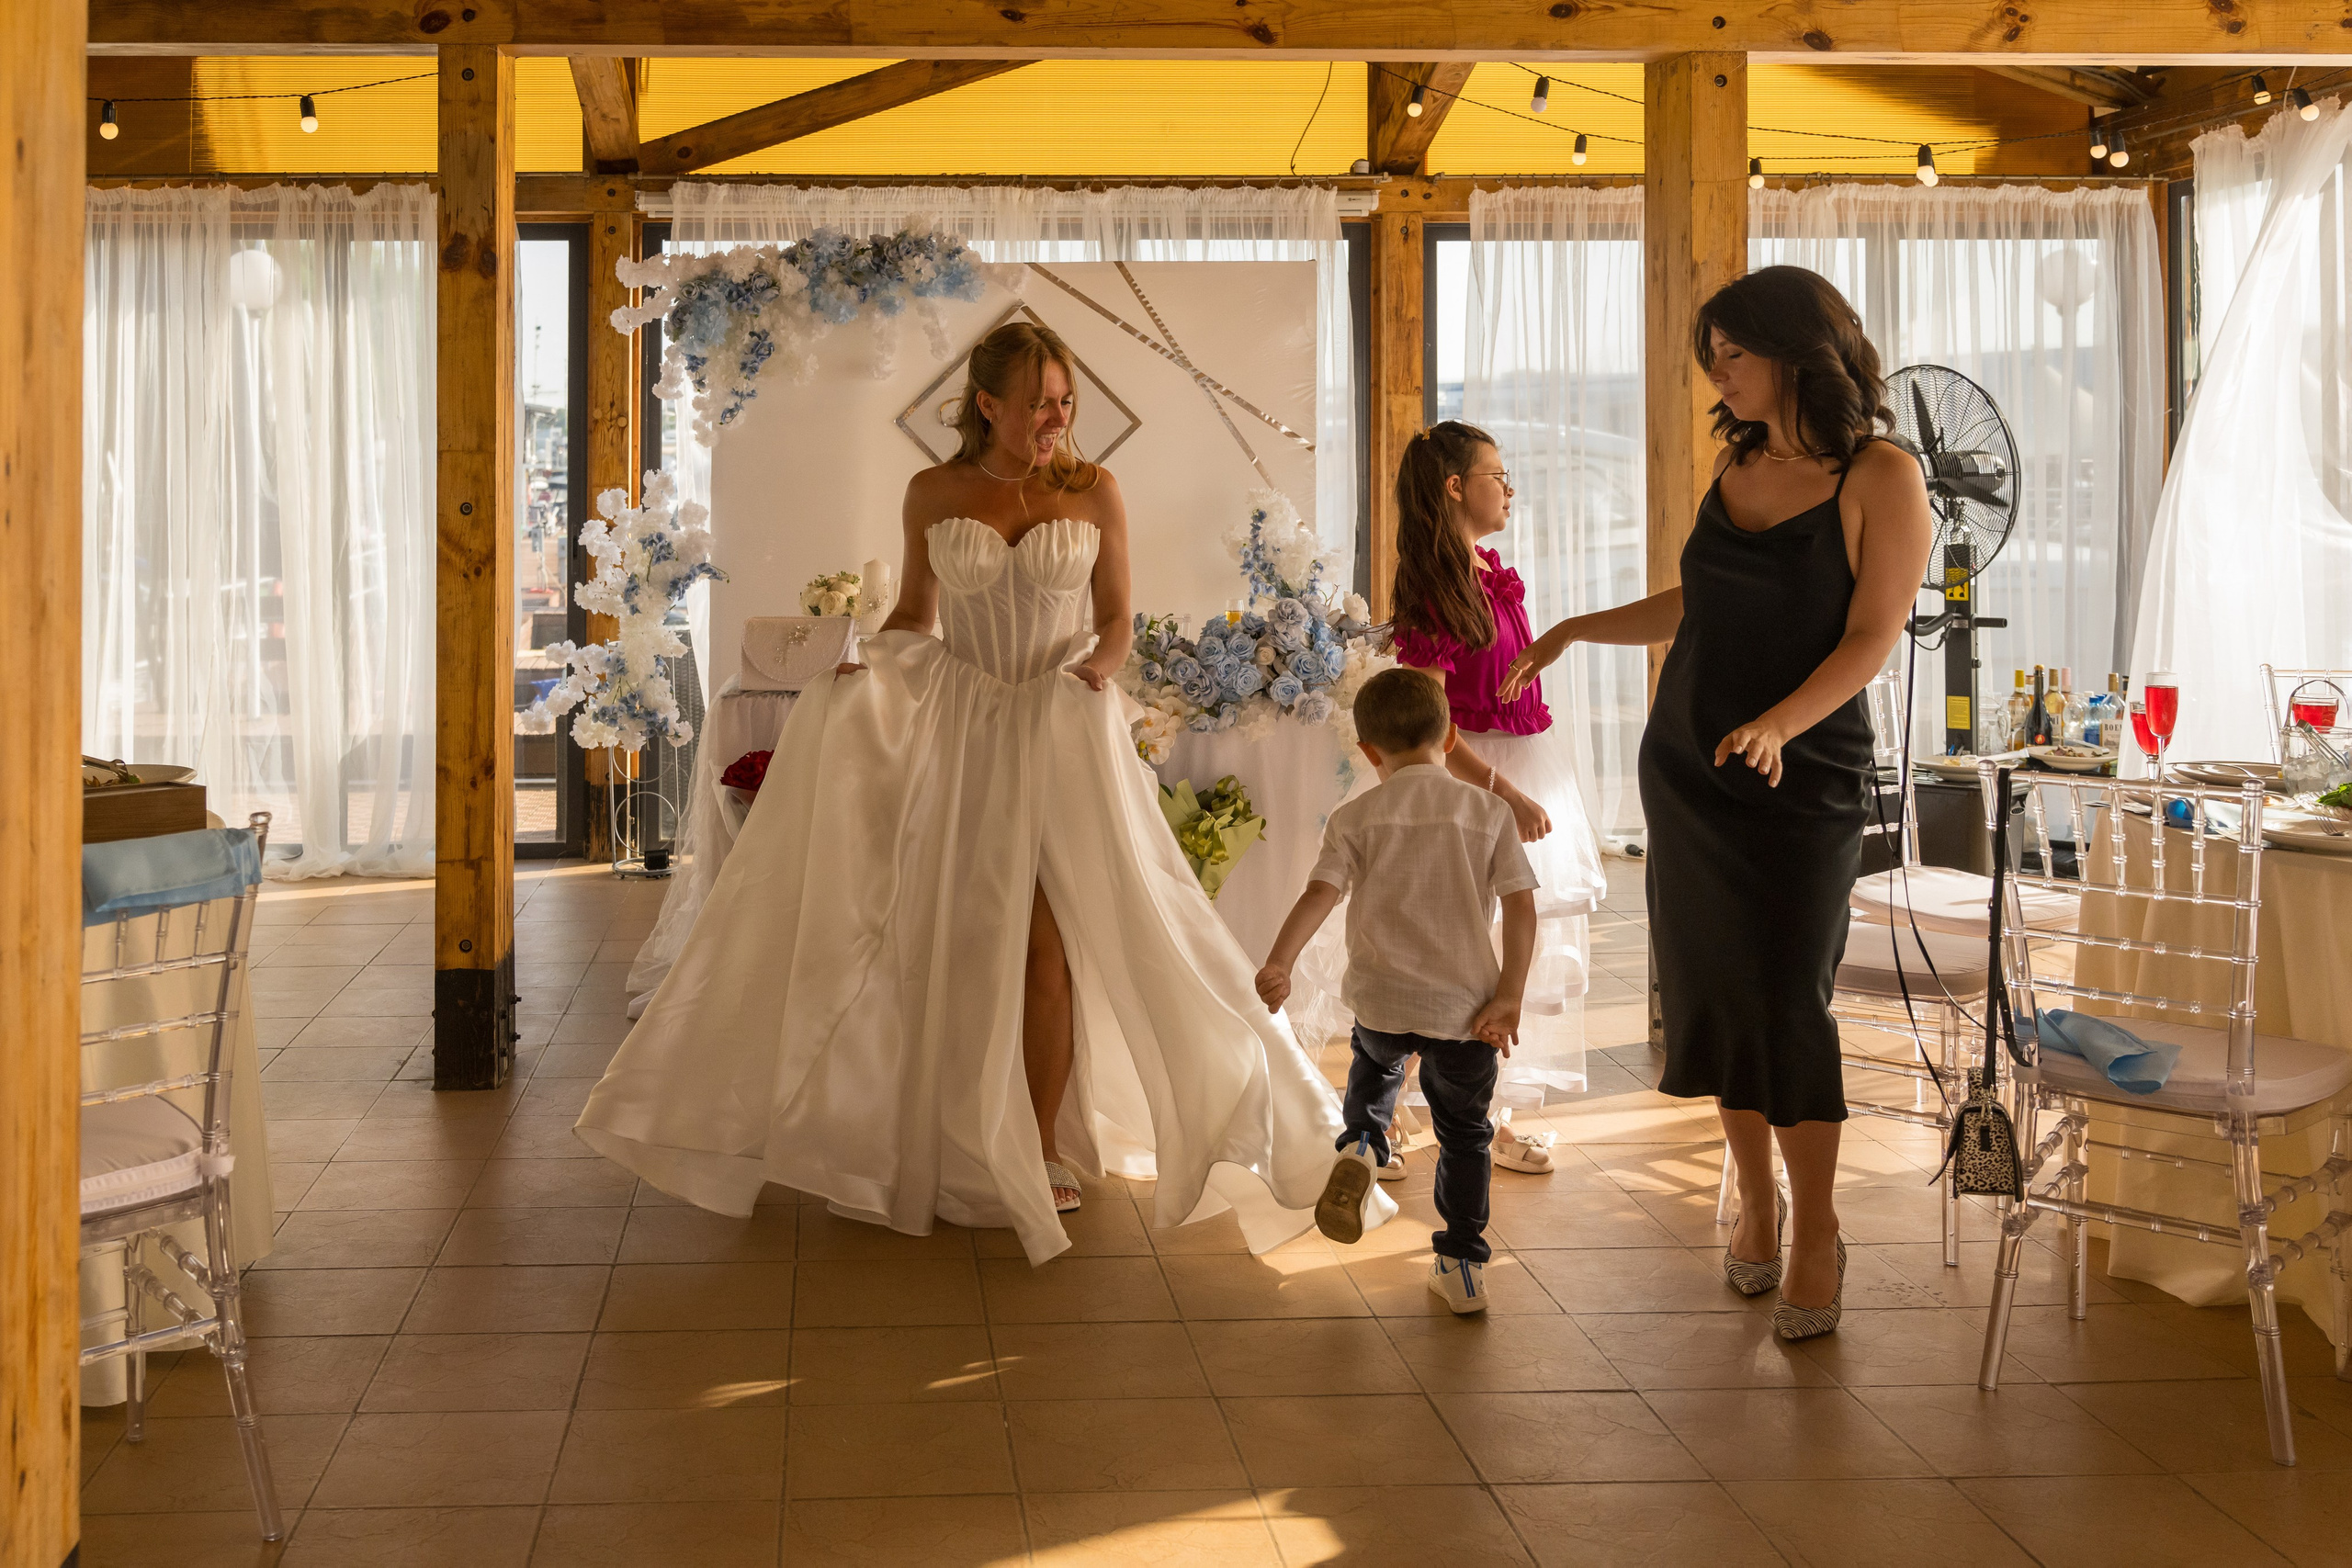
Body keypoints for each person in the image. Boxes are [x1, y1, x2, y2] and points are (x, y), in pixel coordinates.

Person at [575, 320, 1390, 1266]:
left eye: (1065, 399)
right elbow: (916, 615)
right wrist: (865, 671)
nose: (1056, 416)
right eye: (1039, 400)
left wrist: (1101, 670)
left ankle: (1046, 1146)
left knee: (1059, 941)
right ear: (987, 405)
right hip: (962, 730)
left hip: (1061, 720)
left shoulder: (1095, 491)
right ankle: (948, 1130)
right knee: (960, 935)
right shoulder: (934, 491)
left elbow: (1116, 616)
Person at [1500, 266, 1932, 1339]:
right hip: (1690, 769)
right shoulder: (1738, 461)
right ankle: (1754, 1200)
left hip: (1804, 777)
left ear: (1795, 348)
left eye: (1730, 352)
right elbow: (1704, 595)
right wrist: (1570, 631)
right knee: (1713, 997)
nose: (1717, 374)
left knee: (1787, 999)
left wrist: (1782, 723)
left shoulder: (1881, 473)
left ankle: (1819, 1228)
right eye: (1712, 357)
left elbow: (1872, 634)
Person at [1295, 422, 1607, 1171]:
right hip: (1472, 783)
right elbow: (1432, 730)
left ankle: (1486, 1115)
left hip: (1523, 765)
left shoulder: (1494, 570)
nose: (1509, 488)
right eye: (1497, 473)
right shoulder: (1435, 592)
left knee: (1502, 947)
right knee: (1445, 944)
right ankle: (1393, 1117)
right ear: (1455, 487)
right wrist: (1502, 793)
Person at [1256, 668, 1539, 1314]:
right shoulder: (1488, 811)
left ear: (1369, 751)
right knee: (1465, 1133)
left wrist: (1280, 959)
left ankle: (1363, 1139)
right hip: (1467, 1010)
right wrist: (1510, 995)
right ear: (1452, 733)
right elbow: (1522, 907)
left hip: (1383, 999)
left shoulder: (1358, 815)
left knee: (1377, 1061)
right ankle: (1461, 1264)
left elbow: (1320, 893)